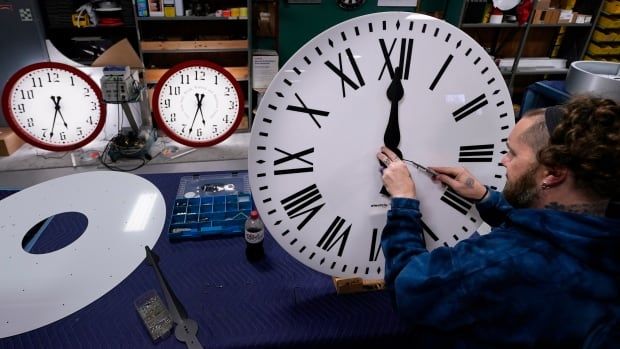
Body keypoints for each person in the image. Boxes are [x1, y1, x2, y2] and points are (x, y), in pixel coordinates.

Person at [376, 95, 620, 348]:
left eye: (513, 153)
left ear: (553, 173)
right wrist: (485, 197)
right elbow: (555, 232)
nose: (503, 160)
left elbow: (408, 289)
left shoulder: (497, 264)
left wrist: (404, 201)